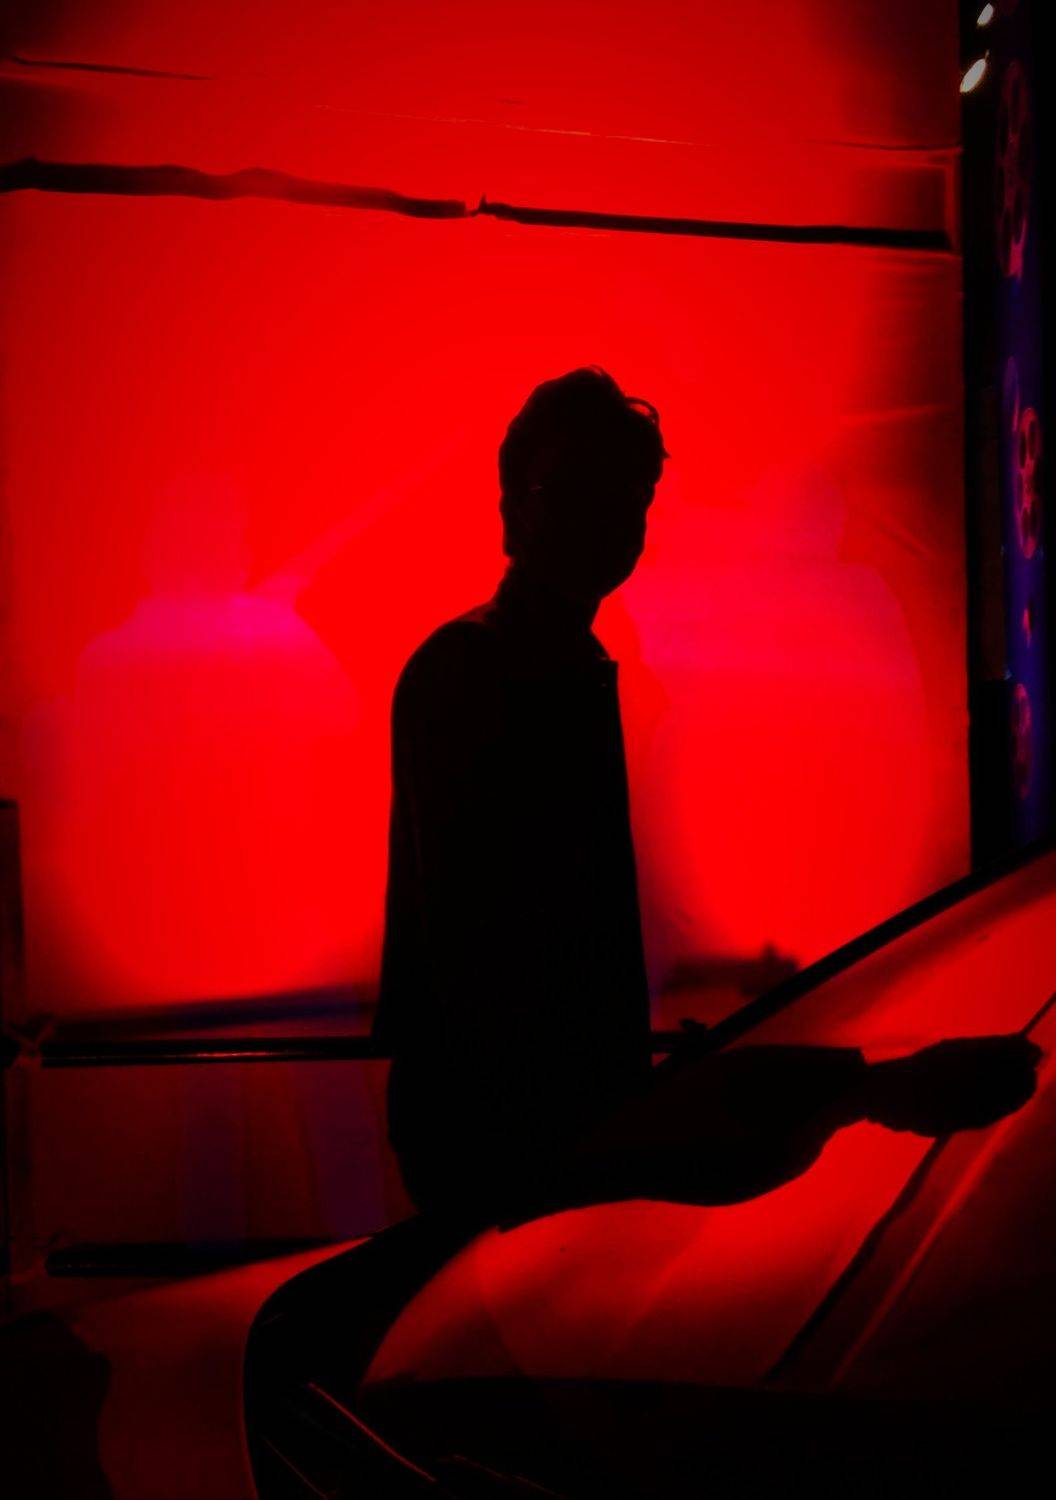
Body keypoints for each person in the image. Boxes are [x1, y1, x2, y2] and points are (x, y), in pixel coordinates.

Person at [374, 367, 1040, 1223]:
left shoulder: (550, 666)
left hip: (530, 1116)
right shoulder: (477, 671)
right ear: (516, 507)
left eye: (629, 497)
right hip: (508, 1126)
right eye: (587, 492)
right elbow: (483, 950)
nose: (614, 521)